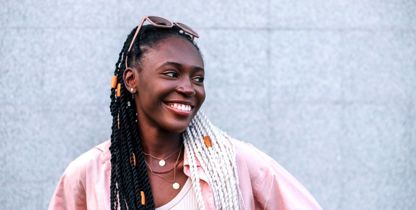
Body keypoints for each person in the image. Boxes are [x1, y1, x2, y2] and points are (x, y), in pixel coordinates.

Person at [48, 16, 322, 210]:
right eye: (171, 73)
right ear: (131, 80)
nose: (188, 88)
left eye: (198, 78)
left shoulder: (237, 162)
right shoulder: (90, 172)